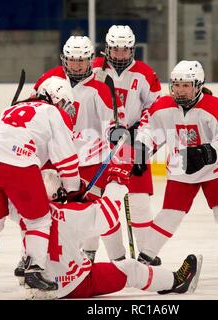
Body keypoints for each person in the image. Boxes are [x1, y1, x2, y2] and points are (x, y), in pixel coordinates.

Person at [132, 60, 218, 286]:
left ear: (198, 85)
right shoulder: (162, 106)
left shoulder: (216, 107)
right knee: (170, 214)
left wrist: (207, 153)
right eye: (176, 85)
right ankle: (145, 258)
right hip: (181, 168)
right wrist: (141, 150)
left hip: (216, 170)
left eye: (186, 85)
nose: (180, 90)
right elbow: (149, 131)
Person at [0, 77, 84, 300]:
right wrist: (74, 187)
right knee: (39, 219)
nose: (66, 110)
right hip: (16, 163)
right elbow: (66, 158)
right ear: (57, 98)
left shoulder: (11, 109)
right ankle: (34, 271)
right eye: (65, 103)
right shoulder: (52, 112)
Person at [9, 166, 203, 300]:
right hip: (73, 284)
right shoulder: (71, 214)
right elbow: (107, 215)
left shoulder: (24, 213)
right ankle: (177, 281)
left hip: (37, 285)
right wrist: (117, 182)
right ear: (60, 193)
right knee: (130, 268)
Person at [19, 35, 127, 265]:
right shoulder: (49, 79)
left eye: (81, 60)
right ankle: (36, 257)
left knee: (98, 211)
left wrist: (115, 134)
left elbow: (111, 124)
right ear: (63, 59)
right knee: (49, 211)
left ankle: (118, 259)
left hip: (90, 160)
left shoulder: (100, 87)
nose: (76, 65)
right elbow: (34, 108)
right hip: (57, 159)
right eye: (71, 60)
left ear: (91, 60)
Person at [87, 25, 162, 265]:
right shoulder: (93, 68)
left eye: (125, 50)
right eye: (115, 50)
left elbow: (156, 111)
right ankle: (88, 252)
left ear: (132, 49)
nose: (120, 55)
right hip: (98, 146)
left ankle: (147, 255)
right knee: (94, 202)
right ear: (106, 48)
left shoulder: (145, 74)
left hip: (132, 143)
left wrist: (141, 141)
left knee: (140, 204)